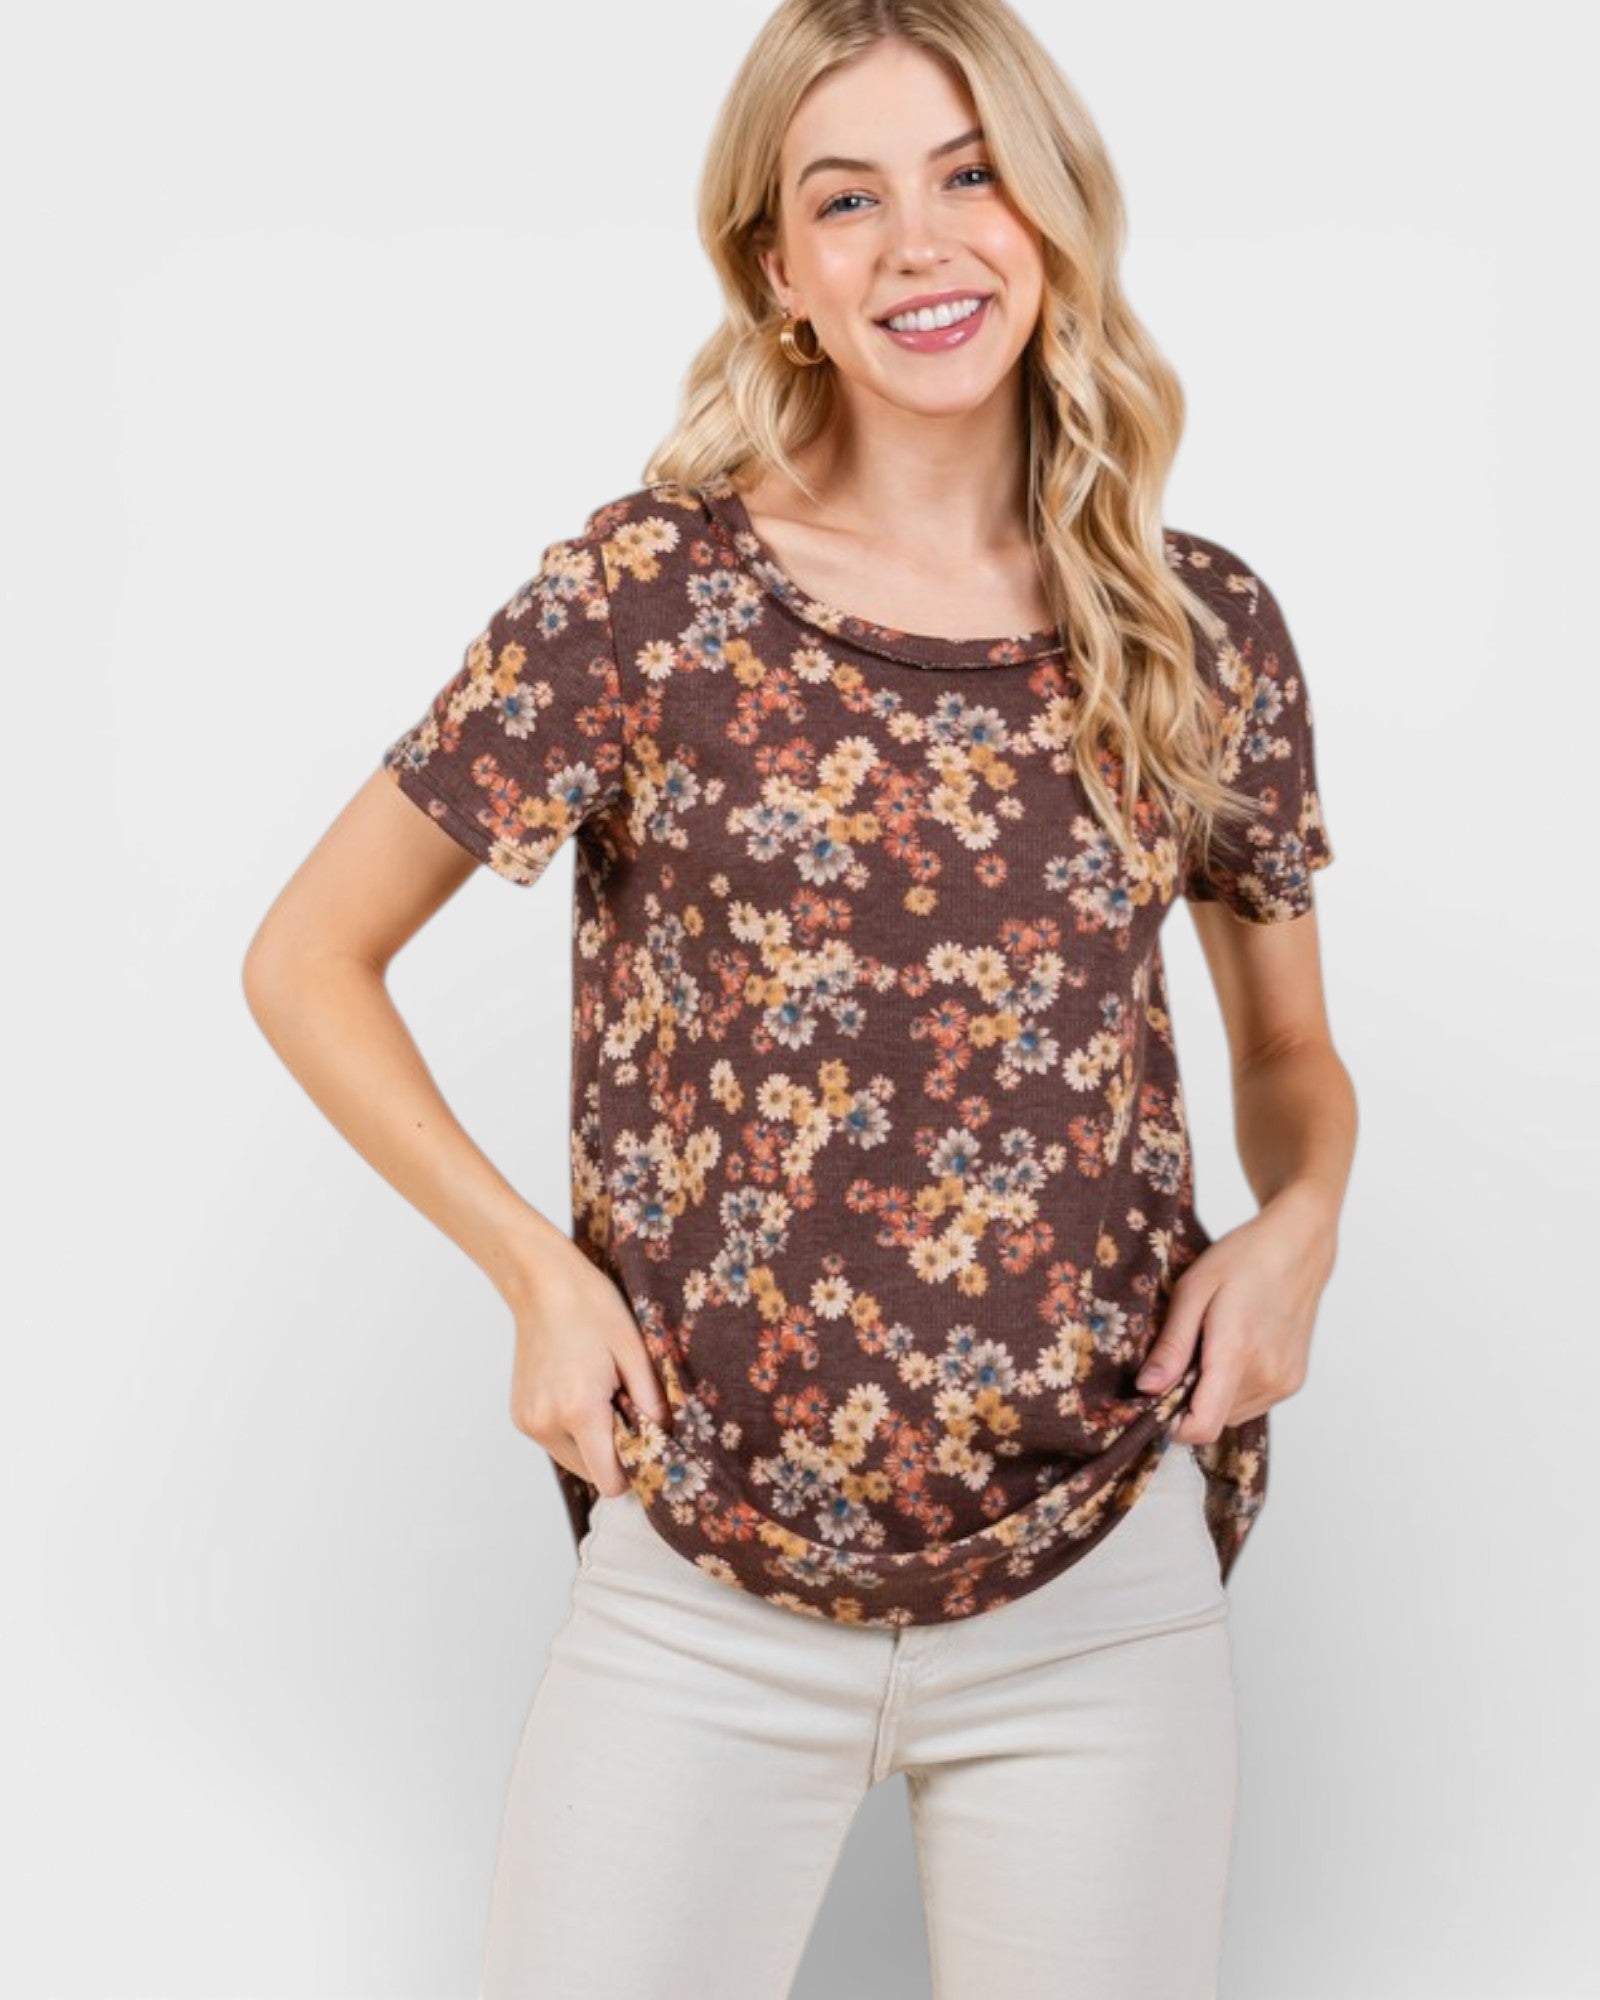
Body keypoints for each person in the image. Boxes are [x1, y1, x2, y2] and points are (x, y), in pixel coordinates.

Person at [242, 2, 1357, 1993]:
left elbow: (1282, 1052)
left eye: (966, 175)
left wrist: (1297, 1229)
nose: (916, 244)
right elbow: (308, 957)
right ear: (778, 271)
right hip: (701, 1567)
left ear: (1049, 212)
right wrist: (534, 1272)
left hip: (1095, 1573)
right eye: (844, 199)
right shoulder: (643, 597)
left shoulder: (1199, 627)